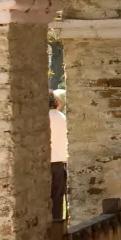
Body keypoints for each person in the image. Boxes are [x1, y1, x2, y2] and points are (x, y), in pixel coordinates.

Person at [49, 90, 68, 222]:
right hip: (60, 163)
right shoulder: (62, 117)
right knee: (57, 200)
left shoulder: (41, 118)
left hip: (45, 163)